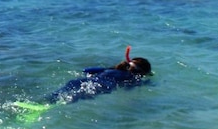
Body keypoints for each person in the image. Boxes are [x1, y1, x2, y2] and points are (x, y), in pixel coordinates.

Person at [12, 46, 152, 121]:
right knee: (70, 99)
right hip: (99, 87)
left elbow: (87, 70)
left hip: (83, 81)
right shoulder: (132, 78)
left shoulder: (108, 69)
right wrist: (146, 83)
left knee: (59, 94)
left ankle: (35, 105)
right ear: (141, 73)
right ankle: (43, 109)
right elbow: (129, 89)